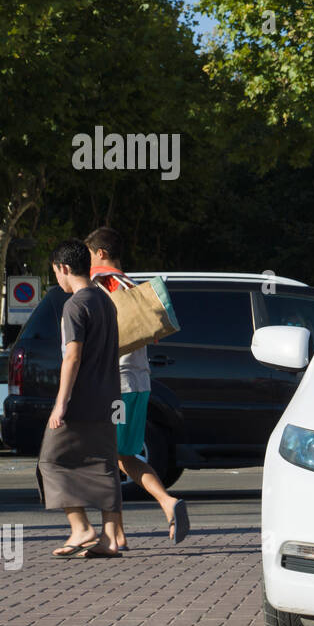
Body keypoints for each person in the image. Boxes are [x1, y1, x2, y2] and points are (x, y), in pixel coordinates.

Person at [85, 227, 189, 546]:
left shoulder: (101, 285)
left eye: (89, 255)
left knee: (105, 458)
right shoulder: (132, 285)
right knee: (123, 455)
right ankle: (121, 532)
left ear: (100, 253)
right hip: (139, 382)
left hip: (114, 384)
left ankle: (118, 532)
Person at [38, 239, 123, 558]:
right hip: (110, 398)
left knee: (50, 460)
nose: (57, 280)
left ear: (64, 268)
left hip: (81, 400)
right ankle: (110, 539)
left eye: (55, 273)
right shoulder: (105, 301)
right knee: (104, 466)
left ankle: (80, 527)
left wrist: (61, 402)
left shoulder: (75, 305)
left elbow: (72, 357)